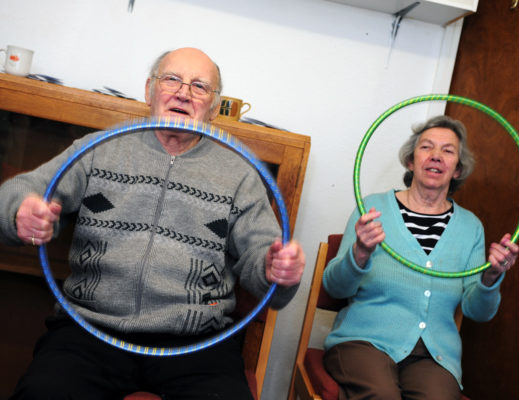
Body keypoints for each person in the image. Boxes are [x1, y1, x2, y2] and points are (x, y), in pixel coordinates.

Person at [0, 47, 305, 400]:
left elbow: (263, 261)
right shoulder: (99, 148)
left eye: (200, 86)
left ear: (215, 108)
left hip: (196, 345)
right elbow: (24, 189)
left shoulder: (240, 175)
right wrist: (21, 210)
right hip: (90, 330)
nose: (183, 93)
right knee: (43, 393)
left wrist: (276, 269)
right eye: (171, 79)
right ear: (149, 90)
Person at [322, 115, 519, 400]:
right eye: (427, 147)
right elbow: (335, 287)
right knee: (382, 395)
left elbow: (478, 311)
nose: (437, 156)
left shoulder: (470, 226)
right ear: (411, 161)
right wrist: (360, 253)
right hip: (363, 344)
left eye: (448, 151)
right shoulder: (373, 208)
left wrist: (491, 278)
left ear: (458, 170)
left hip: (434, 357)